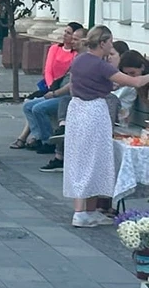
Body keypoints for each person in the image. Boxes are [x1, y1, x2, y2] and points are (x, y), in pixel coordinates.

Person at [63, 25, 149, 227]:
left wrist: (107, 86)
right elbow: (135, 82)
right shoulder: (101, 65)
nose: (111, 45)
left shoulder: (80, 59)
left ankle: (88, 211)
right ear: (102, 43)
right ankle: (82, 213)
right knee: (94, 159)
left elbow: (78, 84)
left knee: (80, 158)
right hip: (94, 111)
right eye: (110, 42)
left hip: (77, 110)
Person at [10, 22, 84, 150]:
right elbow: (48, 70)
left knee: (38, 108)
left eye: (71, 35)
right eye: (65, 32)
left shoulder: (78, 56)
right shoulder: (55, 48)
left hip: (63, 94)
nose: (68, 37)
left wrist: (55, 93)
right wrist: (51, 88)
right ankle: (38, 136)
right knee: (28, 104)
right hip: (52, 87)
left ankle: (47, 141)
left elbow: (71, 84)